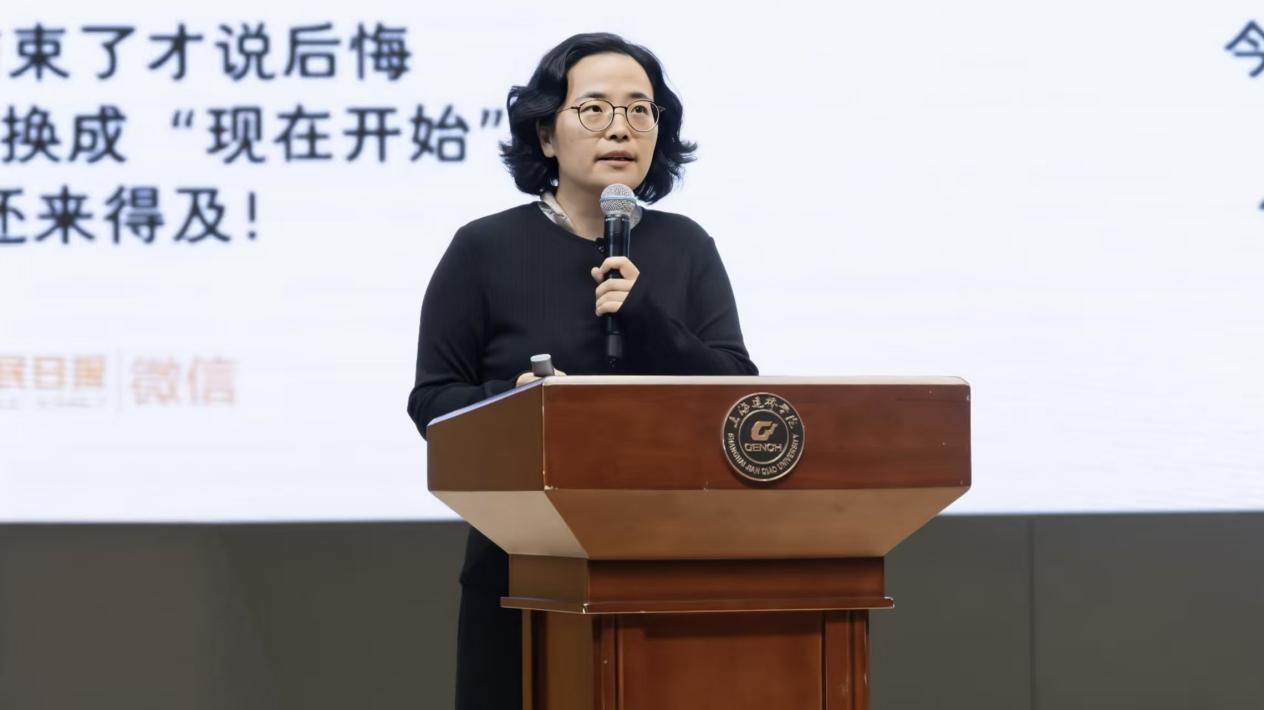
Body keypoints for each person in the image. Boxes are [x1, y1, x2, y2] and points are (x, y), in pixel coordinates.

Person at [406, 32, 758, 710]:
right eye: (594, 109)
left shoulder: (686, 247)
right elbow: (432, 402)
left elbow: (737, 392)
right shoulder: (483, 249)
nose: (620, 128)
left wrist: (648, 319)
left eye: (640, 110)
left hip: (669, 556)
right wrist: (518, 406)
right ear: (546, 134)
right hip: (522, 563)